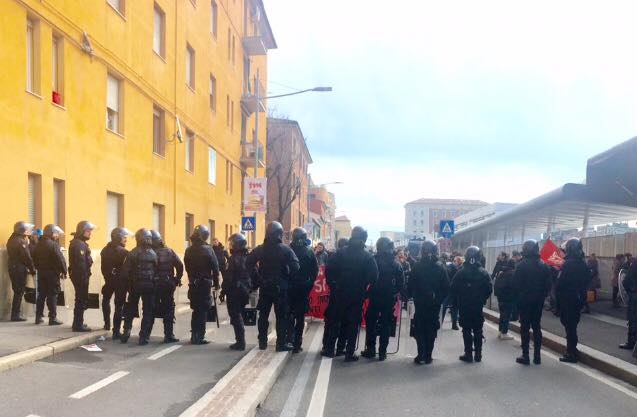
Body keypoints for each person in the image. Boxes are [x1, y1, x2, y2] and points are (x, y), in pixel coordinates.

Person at [323, 226, 378, 362]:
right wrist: (366, 291)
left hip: (339, 292)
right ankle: (349, 353)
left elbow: (329, 270)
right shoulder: (367, 256)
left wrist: (333, 285)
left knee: (335, 321)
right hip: (357, 294)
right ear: (364, 238)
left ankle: (330, 349)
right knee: (353, 324)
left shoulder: (340, 252)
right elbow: (374, 276)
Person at [247, 221, 300, 351]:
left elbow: (248, 264)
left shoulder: (260, 249)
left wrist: (257, 279)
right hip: (281, 288)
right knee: (281, 317)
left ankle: (262, 342)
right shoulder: (286, 250)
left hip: (265, 287)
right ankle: (280, 344)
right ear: (279, 234)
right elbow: (296, 267)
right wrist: (287, 278)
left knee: (263, 316)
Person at [361, 237, 404, 361]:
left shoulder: (373, 260)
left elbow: (366, 277)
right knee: (386, 324)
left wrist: (366, 293)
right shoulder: (395, 263)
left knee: (371, 323)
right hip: (389, 298)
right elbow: (401, 283)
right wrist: (395, 293)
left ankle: (370, 349)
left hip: (374, 297)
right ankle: (382, 352)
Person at [408, 239, 448, 365]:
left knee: (420, 328)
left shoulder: (417, 266)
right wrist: (439, 299)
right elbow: (446, 287)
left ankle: (421, 355)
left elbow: (410, 286)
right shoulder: (440, 267)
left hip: (420, 303)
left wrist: (411, 297)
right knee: (432, 328)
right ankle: (429, 355)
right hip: (434, 304)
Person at [513, 240, 552, 365]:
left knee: (524, 327)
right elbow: (548, 285)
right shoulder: (544, 265)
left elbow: (516, 285)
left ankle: (525, 355)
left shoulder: (521, 265)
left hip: (524, 301)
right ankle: (537, 356)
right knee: (536, 327)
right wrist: (542, 296)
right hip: (538, 301)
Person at [450, 246, 492, 363]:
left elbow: (453, 288)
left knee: (466, 329)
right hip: (478, 306)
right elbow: (489, 289)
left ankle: (468, 354)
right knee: (478, 329)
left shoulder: (461, 272)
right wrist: (482, 298)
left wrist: (460, 298)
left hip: (464, 306)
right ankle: (478, 354)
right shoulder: (483, 273)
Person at [555, 238, 591, 363]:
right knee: (572, 326)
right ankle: (572, 350)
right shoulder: (583, 264)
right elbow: (587, 280)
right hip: (578, 299)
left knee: (569, 328)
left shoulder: (567, 264)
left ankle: (571, 353)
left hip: (567, 299)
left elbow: (559, 284)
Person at [121, 229, 158, 345]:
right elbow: (157, 269)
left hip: (135, 285)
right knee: (148, 310)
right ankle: (144, 336)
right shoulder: (153, 253)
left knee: (130, 308)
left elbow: (125, 271)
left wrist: (128, 285)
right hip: (150, 286)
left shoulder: (132, 252)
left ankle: (126, 331)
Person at [185, 225, 220, 345]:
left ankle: (194, 335)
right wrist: (216, 284)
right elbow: (215, 268)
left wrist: (192, 277)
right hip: (205, 283)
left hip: (193, 283)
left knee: (195, 309)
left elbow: (187, 267)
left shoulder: (188, 250)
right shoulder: (208, 249)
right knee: (203, 310)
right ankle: (200, 336)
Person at [287, 227, 319, 353]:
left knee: (289, 315)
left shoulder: (287, 250)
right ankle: (297, 344)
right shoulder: (309, 252)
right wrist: (309, 285)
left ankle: (289, 339)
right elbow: (314, 271)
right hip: (302, 289)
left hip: (289, 288)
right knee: (300, 317)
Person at [151, 230, 184, 343]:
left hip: (154, 284)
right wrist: (176, 279)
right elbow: (179, 265)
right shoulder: (169, 251)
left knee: (150, 308)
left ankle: (145, 335)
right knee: (169, 309)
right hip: (167, 283)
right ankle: (168, 335)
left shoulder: (150, 252)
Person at [222, 233, 253, 351]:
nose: (230, 246)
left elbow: (228, 277)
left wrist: (223, 290)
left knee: (235, 315)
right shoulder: (248, 257)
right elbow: (255, 273)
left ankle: (240, 342)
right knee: (239, 313)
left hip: (235, 290)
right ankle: (240, 341)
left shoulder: (233, 259)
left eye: (232, 244)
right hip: (245, 290)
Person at [33, 224, 67, 325]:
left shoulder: (39, 244)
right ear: (51, 233)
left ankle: (38, 317)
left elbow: (33, 257)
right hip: (52, 273)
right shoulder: (53, 244)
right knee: (52, 294)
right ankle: (53, 318)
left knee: (41, 294)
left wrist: (38, 267)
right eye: (56, 234)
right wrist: (64, 271)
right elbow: (60, 259)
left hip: (41, 272)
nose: (57, 236)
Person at [101, 227, 131, 338]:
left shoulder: (104, 250)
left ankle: (107, 324)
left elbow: (103, 267)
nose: (126, 240)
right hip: (120, 282)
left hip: (108, 280)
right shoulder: (124, 252)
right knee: (119, 306)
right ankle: (116, 331)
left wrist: (108, 277)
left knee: (106, 300)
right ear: (118, 238)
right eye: (124, 237)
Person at [322, 237, 349, 356]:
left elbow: (327, 273)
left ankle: (327, 347)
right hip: (347, 293)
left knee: (332, 321)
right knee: (344, 322)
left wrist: (332, 285)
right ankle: (340, 348)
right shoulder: (351, 257)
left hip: (336, 293)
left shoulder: (333, 257)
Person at [69, 221, 96, 332]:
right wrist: (84, 278)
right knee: (81, 299)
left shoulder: (80, 243)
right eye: (88, 231)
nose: (90, 233)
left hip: (80, 275)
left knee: (80, 299)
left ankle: (78, 322)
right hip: (80, 276)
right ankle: (77, 324)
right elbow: (80, 264)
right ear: (82, 231)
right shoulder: (79, 244)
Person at [6, 221, 36, 321]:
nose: (28, 232)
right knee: (19, 291)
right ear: (22, 230)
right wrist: (32, 269)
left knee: (17, 291)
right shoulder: (21, 241)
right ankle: (15, 315)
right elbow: (27, 257)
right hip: (19, 268)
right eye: (26, 230)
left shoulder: (11, 239)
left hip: (13, 267)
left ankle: (16, 314)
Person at [493, 259, 516, 340]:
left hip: (500, 298)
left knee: (502, 315)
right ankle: (504, 332)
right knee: (507, 316)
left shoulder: (501, 273)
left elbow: (496, 285)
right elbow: (514, 287)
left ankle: (500, 331)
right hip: (509, 298)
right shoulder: (513, 274)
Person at [620, 249, 637, 350]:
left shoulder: (635, 264)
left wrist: (630, 293)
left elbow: (626, 281)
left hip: (635, 295)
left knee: (633, 320)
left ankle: (631, 342)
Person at [441, 255, 462, 330]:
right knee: (454, 307)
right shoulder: (456, 267)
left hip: (450, 290)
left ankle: (441, 322)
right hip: (454, 291)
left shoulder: (451, 266)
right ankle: (453, 324)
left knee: (445, 306)